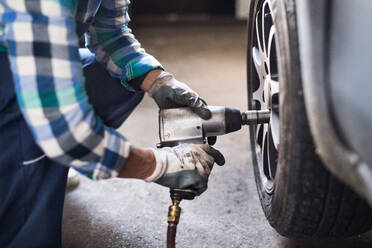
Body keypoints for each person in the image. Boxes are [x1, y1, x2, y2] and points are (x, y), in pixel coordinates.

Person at [0, 0, 225, 247]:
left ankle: (44, 165)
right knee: (31, 233)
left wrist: (157, 81)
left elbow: (110, 33)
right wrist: (159, 165)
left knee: (119, 78)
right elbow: (64, 130)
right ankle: (24, 168)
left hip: (26, 55)